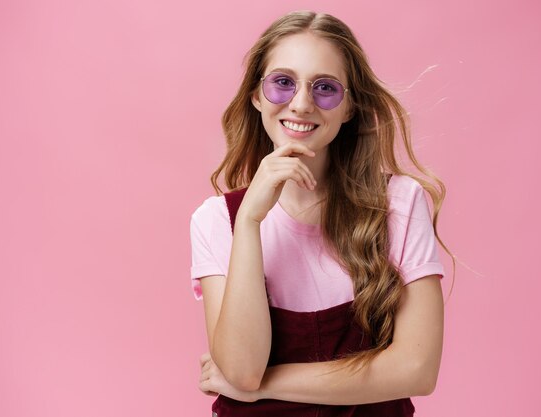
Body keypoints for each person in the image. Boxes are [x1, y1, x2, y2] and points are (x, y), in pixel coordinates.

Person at [190, 10, 454, 416]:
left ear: (349, 108)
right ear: (257, 95)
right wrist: (249, 222)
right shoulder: (217, 219)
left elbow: (416, 369)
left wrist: (263, 387)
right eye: (282, 83)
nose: (301, 104)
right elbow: (242, 371)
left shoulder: (399, 203)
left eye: (325, 88)